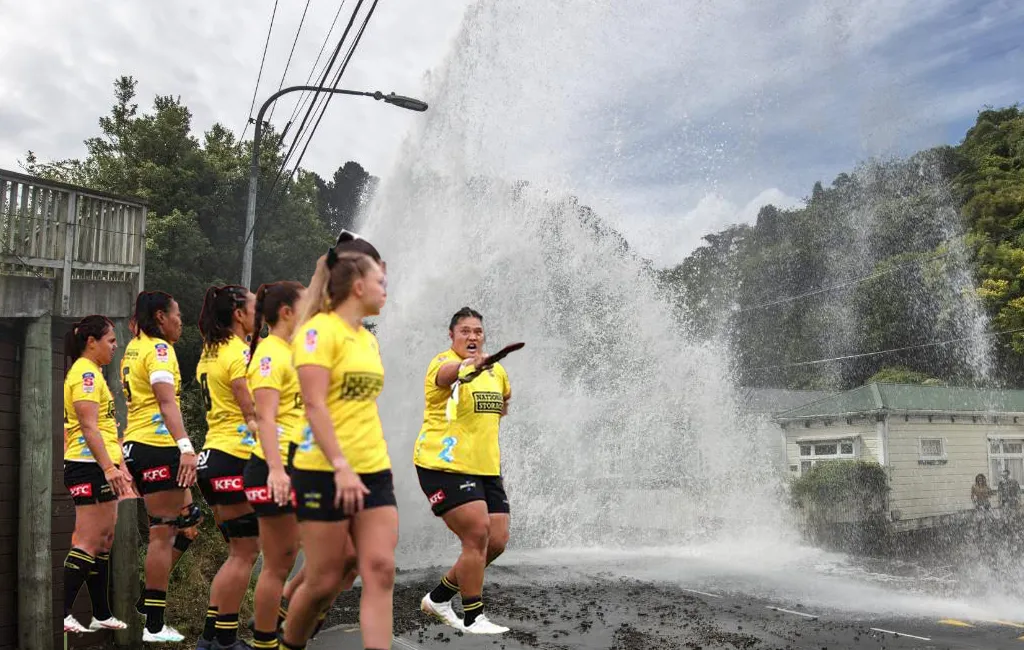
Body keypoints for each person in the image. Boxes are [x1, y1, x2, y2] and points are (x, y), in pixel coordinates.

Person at [279, 250, 394, 650]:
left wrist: (369, 459)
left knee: (379, 569)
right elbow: (314, 405)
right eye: (381, 280)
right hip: (322, 469)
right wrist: (341, 465)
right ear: (358, 286)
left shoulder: (367, 340)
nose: (386, 289)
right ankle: (289, 643)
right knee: (323, 579)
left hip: (373, 468)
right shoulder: (317, 332)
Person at [415, 307, 513, 634]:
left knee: (496, 541)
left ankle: (439, 597)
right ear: (452, 336)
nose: (472, 337)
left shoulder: (496, 371)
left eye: (478, 332)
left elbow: (504, 403)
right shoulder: (442, 363)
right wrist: (466, 367)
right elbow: (446, 375)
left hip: (485, 468)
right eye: (465, 331)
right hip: (443, 465)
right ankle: (473, 616)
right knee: (476, 534)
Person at [121, 291, 198, 643]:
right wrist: (186, 447)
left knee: (189, 527)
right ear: (160, 317)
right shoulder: (160, 351)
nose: (181, 320)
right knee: (163, 533)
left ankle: (146, 601)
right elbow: (167, 404)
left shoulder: (135, 346)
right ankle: (153, 624)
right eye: (176, 314)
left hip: (140, 445)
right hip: (157, 446)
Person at [241, 281, 306, 650]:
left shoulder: (290, 352)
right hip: (274, 467)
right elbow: (265, 418)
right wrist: (278, 471)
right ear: (286, 312)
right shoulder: (270, 355)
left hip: (297, 464)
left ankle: (279, 613)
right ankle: (265, 641)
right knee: (278, 561)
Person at [195, 285, 260, 650]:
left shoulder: (211, 351)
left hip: (213, 458)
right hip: (235, 458)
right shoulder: (241, 354)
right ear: (238, 314)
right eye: (254, 308)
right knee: (245, 553)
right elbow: (253, 412)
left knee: (238, 553)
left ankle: (211, 637)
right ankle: (223, 640)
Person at [61, 315, 132, 633]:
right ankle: (64, 613)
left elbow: (104, 426)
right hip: (87, 466)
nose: (115, 347)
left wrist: (119, 464)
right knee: (89, 542)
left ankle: (101, 612)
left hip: (99, 465)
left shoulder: (94, 374)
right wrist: (107, 467)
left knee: (103, 541)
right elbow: (88, 426)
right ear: (92, 342)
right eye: (111, 340)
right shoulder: (85, 374)